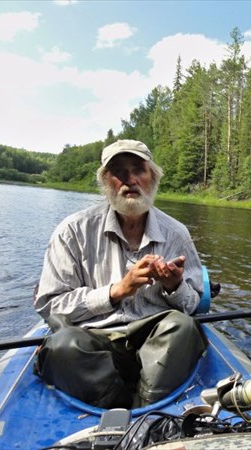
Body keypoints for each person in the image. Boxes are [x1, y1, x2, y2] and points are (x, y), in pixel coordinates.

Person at [33, 139, 207, 409]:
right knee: (63, 345)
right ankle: (113, 405)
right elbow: (49, 305)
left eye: (139, 169)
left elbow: (191, 305)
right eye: (119, 172)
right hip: (93, 340)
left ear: (154, 178)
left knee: (183, 327)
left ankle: (146, 409)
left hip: (155, 339)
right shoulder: (72, 231)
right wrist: (116, 291)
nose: (130, 180)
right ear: (105, 181)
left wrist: (175, 286)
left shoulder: (177, 234)